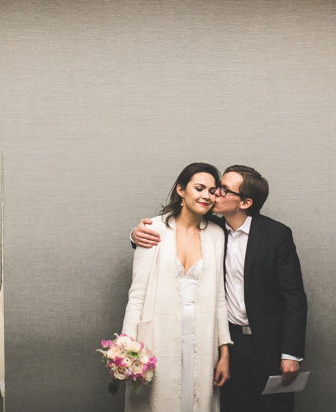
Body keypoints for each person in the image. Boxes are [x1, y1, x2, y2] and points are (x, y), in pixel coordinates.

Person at [132, 165, 307, 412]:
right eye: (216, 188)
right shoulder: (212, 229)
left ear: (245, 202)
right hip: (229, 342)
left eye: (223, 190)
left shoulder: (276, 235)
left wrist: (291, 354)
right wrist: (136, 234)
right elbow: (177, 228)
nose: (214, 195)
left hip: (269, 344)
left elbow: (294, 298)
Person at [122, 162, 232, 412]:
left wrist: (224, 352)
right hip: (159, 334)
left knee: (195, 400)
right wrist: (126, 348)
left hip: (202, 335)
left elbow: (219, 298)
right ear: (181, 190)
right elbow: (137, 294)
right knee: (158, 401)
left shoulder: (216, 234)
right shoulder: (153, 229)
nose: (206, 196)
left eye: (212, 191)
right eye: (199, 188)